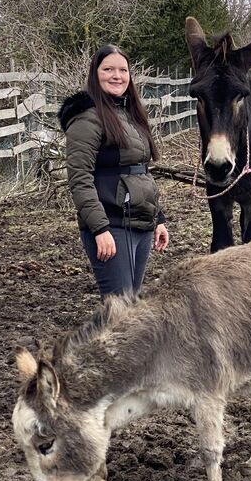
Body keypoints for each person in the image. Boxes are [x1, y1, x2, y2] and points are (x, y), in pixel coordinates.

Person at [57, 45, 169, 298]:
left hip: (139, 223)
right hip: (112, 225)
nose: (117, 76)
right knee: (119, 308)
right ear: (95, 74)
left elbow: (141, 172)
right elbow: (80, 179)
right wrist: (100, 229)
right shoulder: (86, 118)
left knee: (131, 306)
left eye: (123, 70)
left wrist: (158, 219)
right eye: (108, 69)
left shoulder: (130, 114)